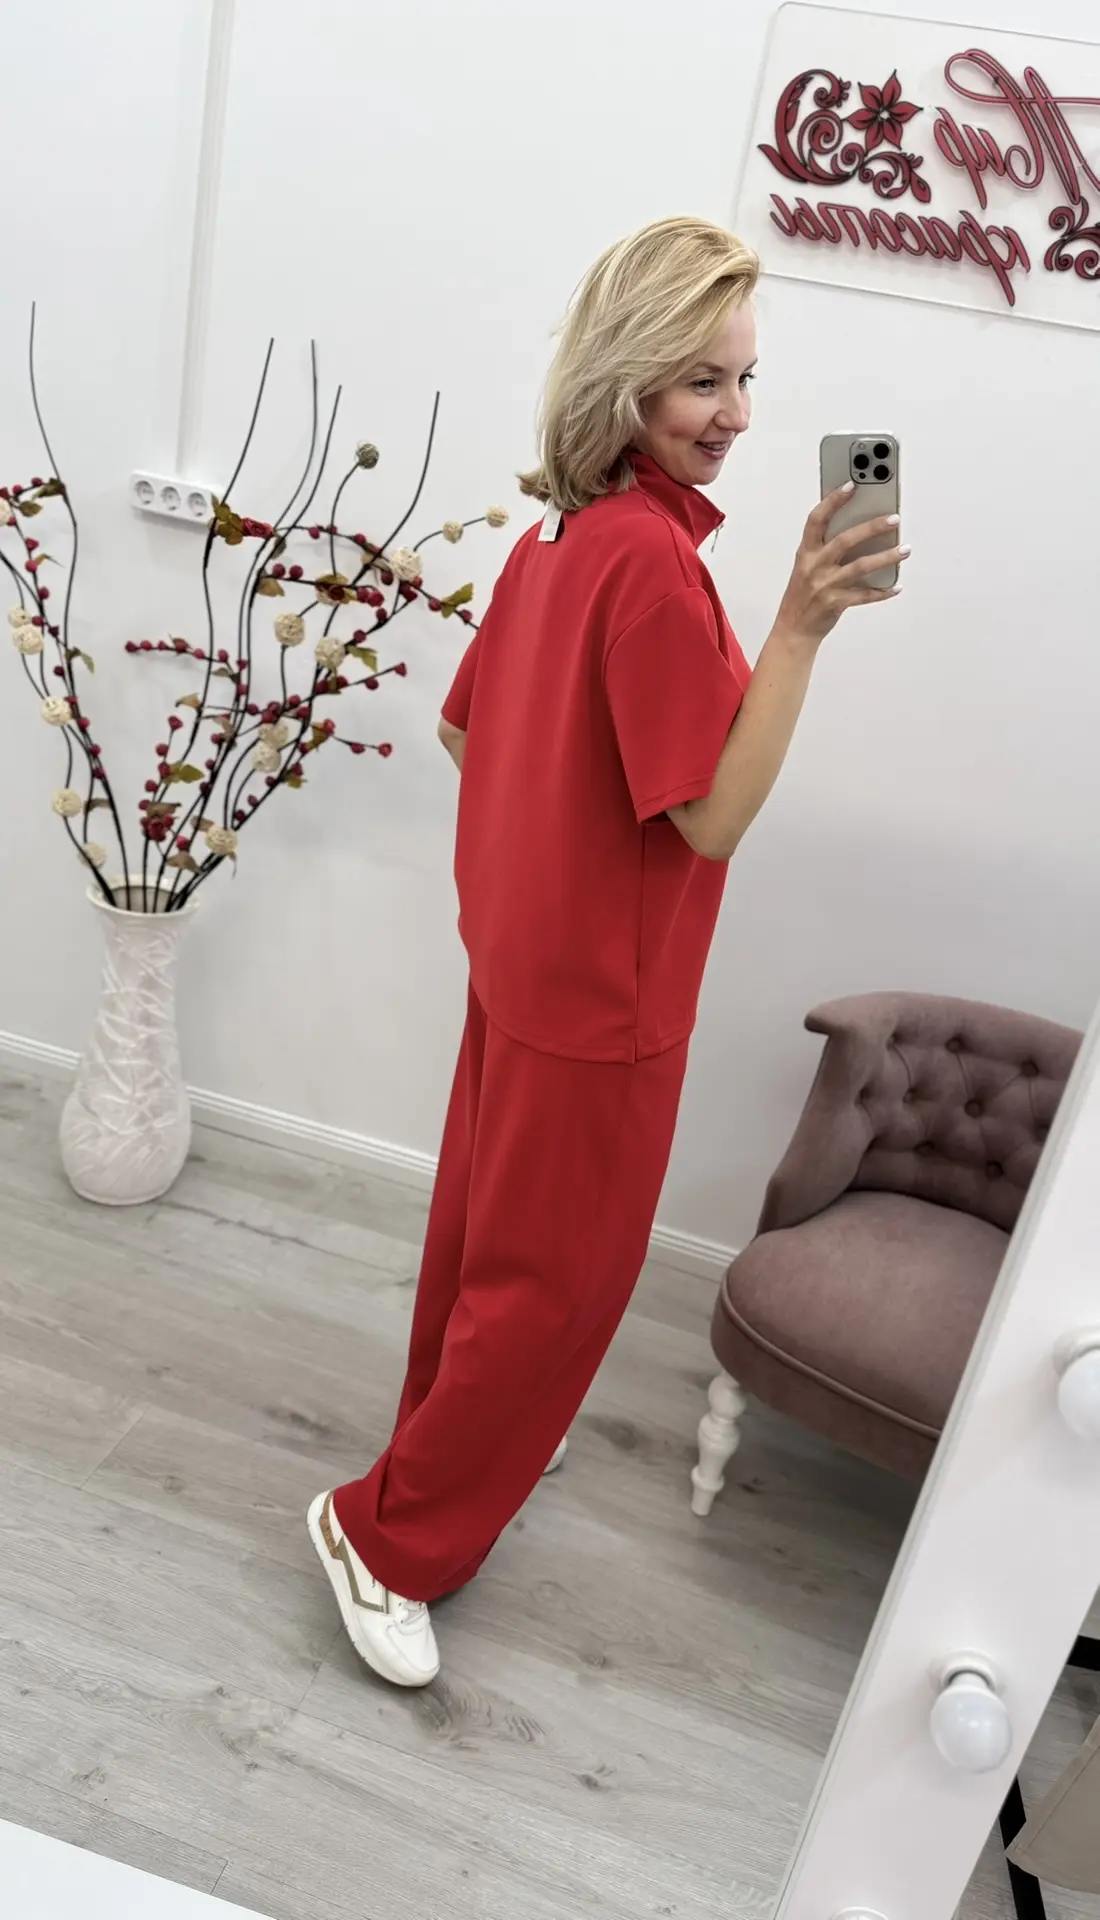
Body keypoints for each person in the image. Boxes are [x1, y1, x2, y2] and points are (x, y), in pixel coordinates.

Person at [307, 215, 908, 1687]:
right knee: (553, 1290)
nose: (737, 415)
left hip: (524, 972)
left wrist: (548, 854)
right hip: (601, 1006)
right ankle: (384, 1539)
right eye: (704, 380)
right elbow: (711, 820)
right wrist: (802, 630)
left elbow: (469, 733)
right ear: (626, 375)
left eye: (747, 379)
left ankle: (459, 1452)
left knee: (484, 1257)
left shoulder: (558, 536)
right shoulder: (647, 565)